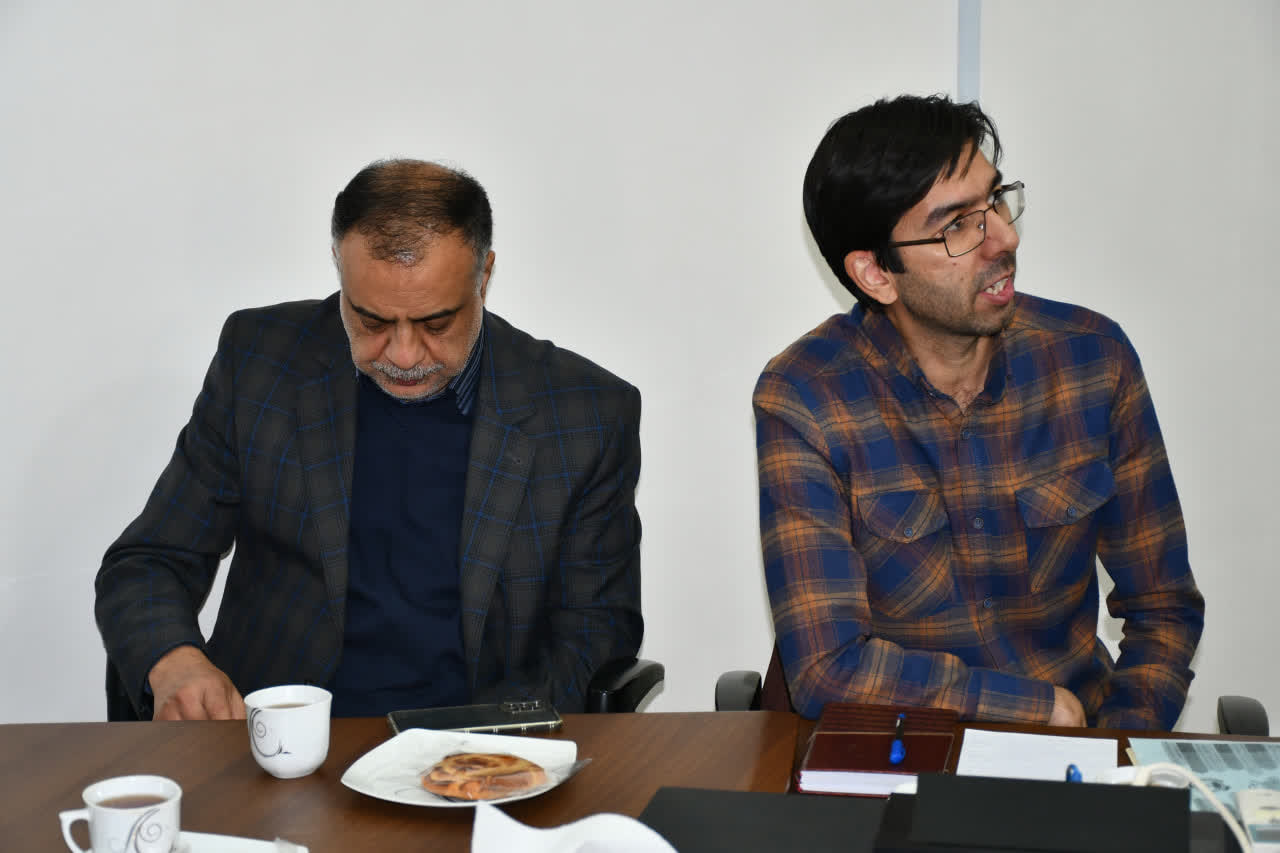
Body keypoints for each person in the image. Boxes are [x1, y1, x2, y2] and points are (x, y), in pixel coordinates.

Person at [96, 160, 643, 720]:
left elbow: (595, 636)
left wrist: (467, 743)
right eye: (371, 321)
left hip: (474, 744)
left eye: (435, 324)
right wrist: (174, 660)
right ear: (339, 265)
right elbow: (149, 561)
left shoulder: (585, 415)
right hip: (280, 742)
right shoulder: (260, 363)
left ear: (484, 276)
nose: (402, 355)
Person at [755, 95, 1203, 729]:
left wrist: (1115, 748)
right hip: (903, 750)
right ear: (876, 274)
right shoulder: (807, 396)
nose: (1005, 237)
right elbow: (828, 669)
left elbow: (1164, 607)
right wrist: (1041, 710)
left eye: (994, 201)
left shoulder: (1091, 360)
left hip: (1079, 745)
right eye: (957, 226)